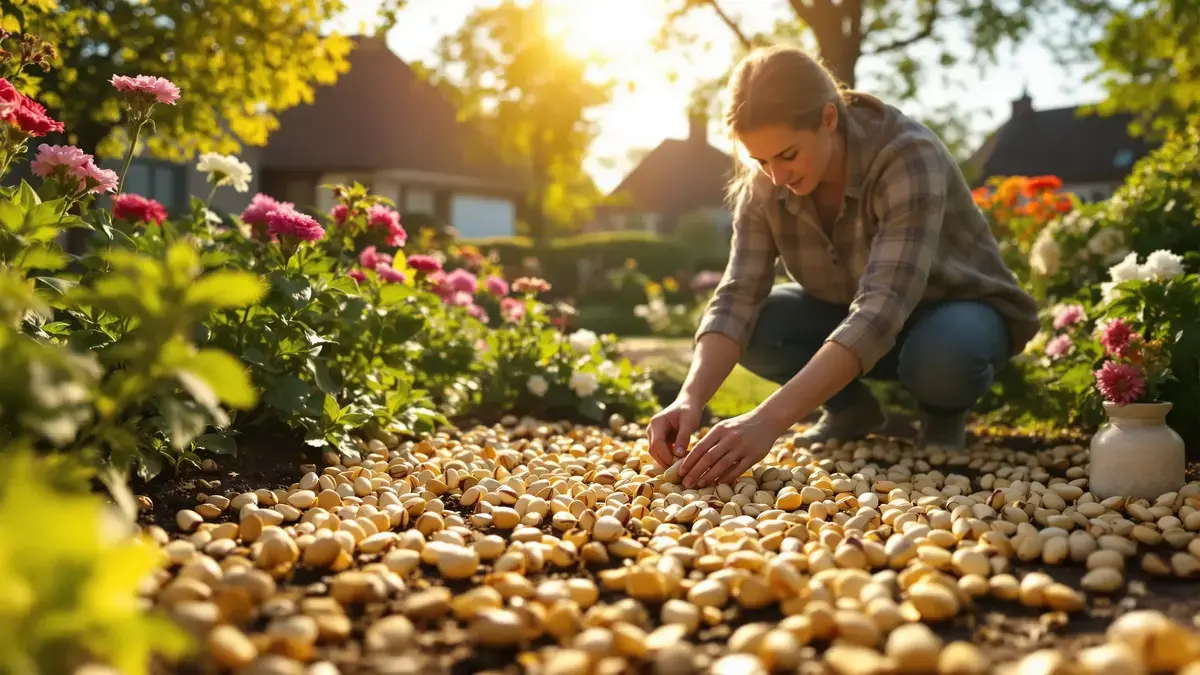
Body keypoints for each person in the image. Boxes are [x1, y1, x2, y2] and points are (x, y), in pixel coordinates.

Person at [646, 45, 1040, 489]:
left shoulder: (907, 157)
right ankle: (850, 410)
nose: (776, 177)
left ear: (829, 119)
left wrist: (767, 420)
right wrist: (690, 397)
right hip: (851, 316)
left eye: (788, 155)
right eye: (761, 160)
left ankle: (942, 413)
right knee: (758, 323)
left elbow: (881, 308)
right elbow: (737, 295)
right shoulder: (767, 183)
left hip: (955, 312)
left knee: (942, 357)